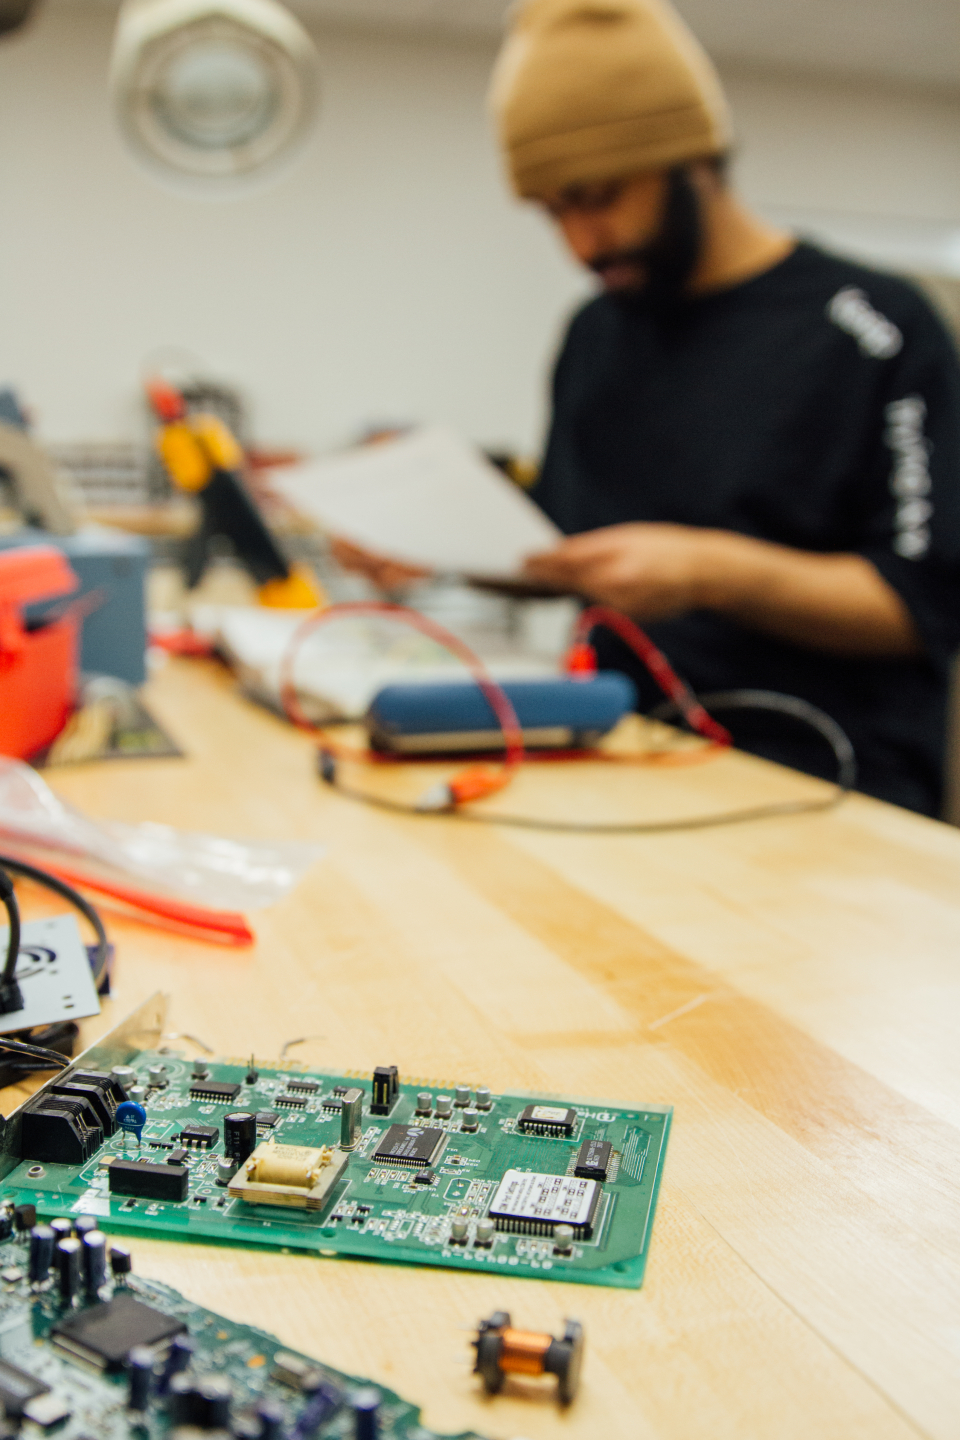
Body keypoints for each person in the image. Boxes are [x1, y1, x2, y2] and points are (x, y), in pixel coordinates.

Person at [338, 0, 960, 816]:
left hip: (828, 791)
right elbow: (567, 546)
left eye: (597, 196)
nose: (582, 244)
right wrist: (436, 545)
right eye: (555, 212)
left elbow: (923, 605)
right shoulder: (597, 331)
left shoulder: (876, 326)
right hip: (617, 763)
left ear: (691, 155)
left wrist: (710, 571)